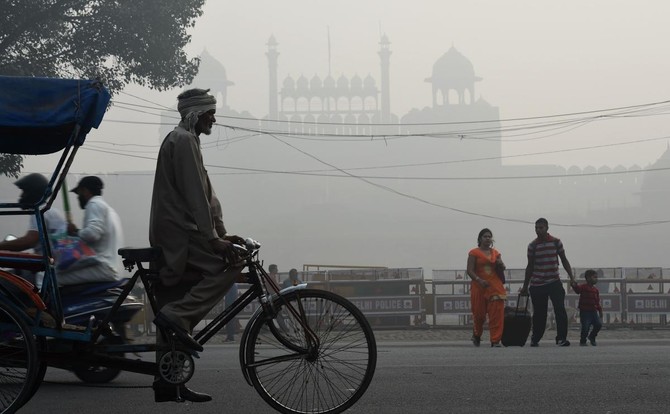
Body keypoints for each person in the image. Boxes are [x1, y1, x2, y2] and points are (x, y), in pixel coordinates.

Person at [149, 88, 244, 403]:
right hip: (180, 234)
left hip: (182, 233)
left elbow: (207, 197)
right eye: (210, 113)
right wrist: (214, 240)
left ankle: (168, 382)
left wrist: (221, 232)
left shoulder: (186, 140)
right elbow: (195, 196)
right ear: (196, 114)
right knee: (231, 263)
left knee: (169, 305)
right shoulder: (184, 141)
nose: (213, 119)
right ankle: (181, 317)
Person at [0, 173, 66, 285]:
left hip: (46, 272)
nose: (21, 196)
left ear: (33, 192)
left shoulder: (41, 212)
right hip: (51, 266)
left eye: (24, 191)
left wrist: (1, 245)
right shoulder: (52, 212)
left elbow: (28, 241)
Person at [521, 218, 576, 347]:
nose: (538, 230)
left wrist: (572, 277)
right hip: (537, 284)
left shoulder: (556, 242)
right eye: (536, 228)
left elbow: (564, 260)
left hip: (554, 281)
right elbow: (529, 267)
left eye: (541, 228)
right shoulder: (532, 246)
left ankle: (561, 338)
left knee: (560, 310)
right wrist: (525, 286)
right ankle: (535, 338)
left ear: (547, 228)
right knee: (539, 313)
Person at [59, 176, 124, 286]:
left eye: (78, 193)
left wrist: (76, 232)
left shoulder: (93, 204)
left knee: (52, 278)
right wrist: (76, 232)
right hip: (109, 266)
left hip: (102, 265)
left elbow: (92, 234)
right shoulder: (107, 208)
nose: (78, 197)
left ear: (85, 191)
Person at [466, 228, 507, 347]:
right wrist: (479, 280)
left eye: (489, 236)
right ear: (480, 239)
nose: (487, 238)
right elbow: (469, 270)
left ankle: (495, 340)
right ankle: (477, 334)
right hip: (479, 286)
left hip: (494, 286)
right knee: (479, 315)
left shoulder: (496, 253)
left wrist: (501, 265)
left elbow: (502, 267)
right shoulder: (474, 253)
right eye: (485, 236)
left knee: (496, 314)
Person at [571, 269, 603, 346]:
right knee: (585, 327)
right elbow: (577, 290)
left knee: (598, 324)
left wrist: (600, 310)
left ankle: (592, 336)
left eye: (596, 277)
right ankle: (583, 341)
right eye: (594, 277)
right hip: (585, 312)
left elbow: (597, 302)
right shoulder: (583, 287)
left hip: (593, 312)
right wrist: (574, 285)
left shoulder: (596, 290)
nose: (596, 279)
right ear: (588, 278)